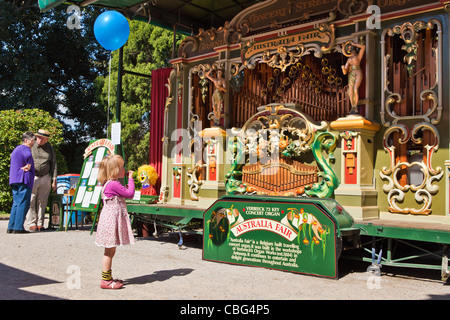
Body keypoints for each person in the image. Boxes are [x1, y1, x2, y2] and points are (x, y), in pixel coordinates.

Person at [95, 154, 135, 289]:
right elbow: (130, 193)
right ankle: (105, 281)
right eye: (121, 167)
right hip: (111, 221)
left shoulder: (108, 183)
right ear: (114, 170)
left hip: (109, 219)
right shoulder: (113, 184)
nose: (124, 169)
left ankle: (108, 277)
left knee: (110, 251)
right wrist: (131, 179)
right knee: (109, 252)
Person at [25, 129, 57, 231]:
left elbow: (54, 164)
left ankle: (40, 223)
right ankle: (31, 222)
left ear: (46, 139)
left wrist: (54, 179)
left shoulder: (50, 148)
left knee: (42, 201)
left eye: (42, 138)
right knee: (31, 200)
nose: (39, 139)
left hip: (46, 176)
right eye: (38, 137)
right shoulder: (31, 146)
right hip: (32, 176)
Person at [8, 132, 36, 234]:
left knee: (16, 203)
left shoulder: (17, 148)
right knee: (23, 203)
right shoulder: (25, 149)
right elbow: (28, 155)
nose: (33, 143)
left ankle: (11, 227)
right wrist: (28, 164)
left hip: (14, 179)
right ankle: (18, 227)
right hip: (23, 179)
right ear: (26, 140)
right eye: (32, 140)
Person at [341, 42, 365, 114]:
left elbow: (363, 46)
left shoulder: (358, 56)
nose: (349, 48)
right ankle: (353, 107)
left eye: (350, 47)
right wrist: (343, 68)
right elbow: (345, 72)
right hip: (351, 73)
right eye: (348, 47)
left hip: (358, 72)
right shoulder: (349, 60)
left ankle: (356, 107)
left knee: (355, 89)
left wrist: (354, 44)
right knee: (350, 91)